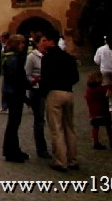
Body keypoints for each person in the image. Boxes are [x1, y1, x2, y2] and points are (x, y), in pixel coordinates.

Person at [40, 29, 80, 172]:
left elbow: (45, 79)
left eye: (44, 40)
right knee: (69, 128)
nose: (42, 43)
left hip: (54, 93)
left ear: (51, 41)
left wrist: (44, 93)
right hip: (68, 92)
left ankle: (60, 160)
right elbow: (75, 77)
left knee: (56, 129)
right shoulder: (68, 57)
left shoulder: (47, 58)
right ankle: (72, 159)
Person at [1, 34, 29, 162]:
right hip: (14, 93)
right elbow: (15, 78)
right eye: (22, 43)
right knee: (13, 124)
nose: (23, 45)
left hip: (12, 92)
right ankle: (11, 152)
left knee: (14, 123)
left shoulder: (12, 57)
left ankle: (14, 149)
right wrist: (27, 85)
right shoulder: (13, 59)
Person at [24, 32, 50, 158]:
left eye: (47, 40)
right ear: (37, 43)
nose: (46, 43)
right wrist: (35, 80)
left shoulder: (48, 55)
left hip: (49, 90)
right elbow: (27, 75)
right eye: (43, 40)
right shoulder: (32, 57)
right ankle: (41, 149)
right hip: (37, 91)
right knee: (39, 120)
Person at [84, 70, 112, 150]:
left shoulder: (89, 90)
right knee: (108, 126)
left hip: (93, 112)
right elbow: (108, 93)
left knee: (95, 127)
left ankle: (96, 142)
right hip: (103, 111)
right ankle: (111, 141)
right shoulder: (101, 89)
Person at [93, 35, 112, 111]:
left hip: (105, 70)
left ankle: (107, 103)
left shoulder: (100, 49)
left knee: (106, 87)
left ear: (105, 41)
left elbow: (96, 60)